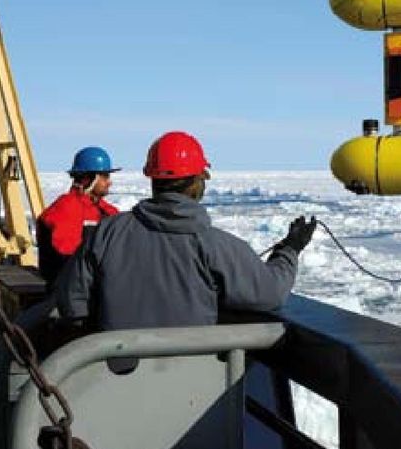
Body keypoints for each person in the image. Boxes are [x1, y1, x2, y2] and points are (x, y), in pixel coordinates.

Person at [55, 130, 315, 332]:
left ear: (153, 180)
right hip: (196, 390)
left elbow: (72, 302)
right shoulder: (218, 247)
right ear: (196, 183)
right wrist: (289, 250)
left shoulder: (107, 233)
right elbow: (270, 293)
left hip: (112, 380)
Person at [36, 146, 121, 282]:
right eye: (105, 176)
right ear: (89, 178)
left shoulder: (108, 211)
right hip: (69, 289)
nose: (109, 182)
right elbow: (70, 258)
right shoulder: (65, 209)